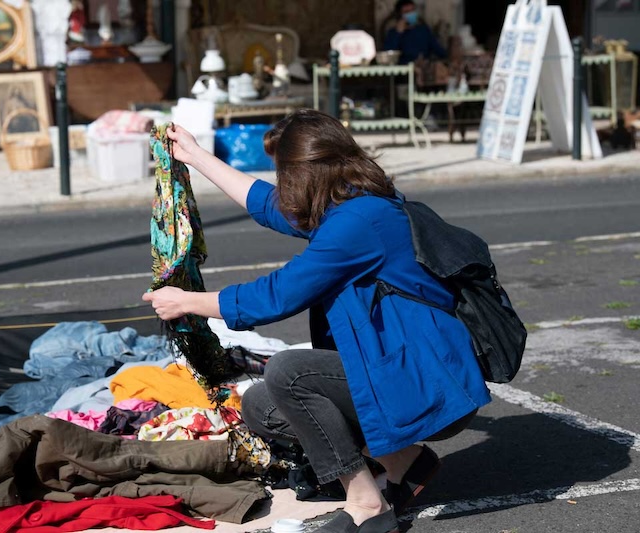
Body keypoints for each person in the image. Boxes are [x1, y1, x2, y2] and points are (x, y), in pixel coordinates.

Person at [142, 109, 490, 533]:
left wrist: (187, 302)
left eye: (284, 173)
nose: (282, 183)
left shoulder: (359, 222)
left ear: (305, 173)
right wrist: (196, 156)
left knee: (290, 373)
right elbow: (270, 207)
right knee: (261, 406)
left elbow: (279, 294)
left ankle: (366, 502)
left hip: (423, 380)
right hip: (400, 372)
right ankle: (405, 462)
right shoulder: (347, 202)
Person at [383, 0, 446, 64]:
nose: (411, 14)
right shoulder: (393, 33)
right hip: (405, 68)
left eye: (412, 10)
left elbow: (439, 50)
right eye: (407, 12)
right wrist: (398, 33)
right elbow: (388, 55)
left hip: (424, 66)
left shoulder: (424, 30)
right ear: (400, 15)